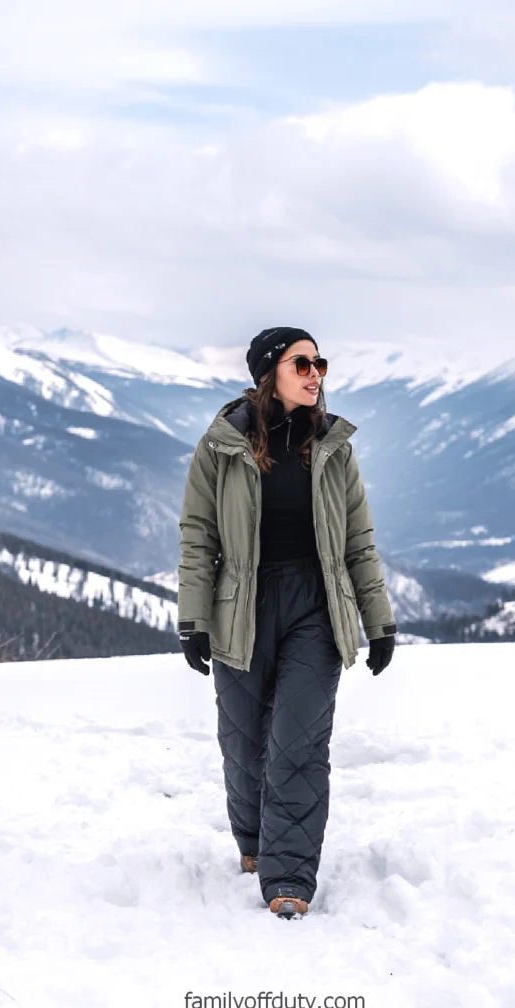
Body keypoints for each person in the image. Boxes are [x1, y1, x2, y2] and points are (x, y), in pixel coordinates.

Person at [177, 327, 397, 919]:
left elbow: (358, 541)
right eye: (302, 363)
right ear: (268, 373)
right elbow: (198, 537)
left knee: (297, 743)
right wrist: (194, 618)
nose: (315, 373)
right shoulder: (221, 445)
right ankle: (254, 843)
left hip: (316, 608)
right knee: (244, 744)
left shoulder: (333, 447)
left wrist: (378, 621)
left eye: (320, 362)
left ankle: (289, 878)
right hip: (240, 607)